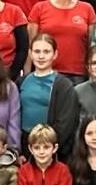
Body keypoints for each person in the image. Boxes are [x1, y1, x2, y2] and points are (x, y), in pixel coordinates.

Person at [27, 0, 96, 82]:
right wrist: (26, 77)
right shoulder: (39, 8)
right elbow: (30, 46)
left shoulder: (87, 9)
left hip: (79, 76)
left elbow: (92, 47)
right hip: (47, 74)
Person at [19, 33, 78, 161]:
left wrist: (46, 148)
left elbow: (65, 124)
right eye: (37, 51)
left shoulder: (64, 85)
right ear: (30, 53)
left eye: (46, 51)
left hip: (51, 150)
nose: (41, 56)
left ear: (55, 54)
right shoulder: (21, 82)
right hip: (25, 150)